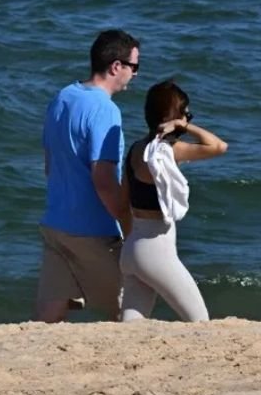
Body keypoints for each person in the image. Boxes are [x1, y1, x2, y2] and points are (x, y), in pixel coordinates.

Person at [33, 29, 141, 322]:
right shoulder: (105, 110)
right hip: (91, 231)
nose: (135, 75)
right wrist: (126, 223)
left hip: (55, 223)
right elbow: (103, 178)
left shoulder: (62, 98)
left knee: (50, 314)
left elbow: (49, 164)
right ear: (116, 66)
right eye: (134, 67)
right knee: (128, 306)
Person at [119, 78, 227, 322]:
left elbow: (122, 200)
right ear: (174, 116)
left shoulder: (136, 149)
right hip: (157, 251)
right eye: (186, 114)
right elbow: (219, 146)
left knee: (130, 328)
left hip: (133, 247)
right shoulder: (169, 150)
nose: (188, 118)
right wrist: (184, 126)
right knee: (200, 321)